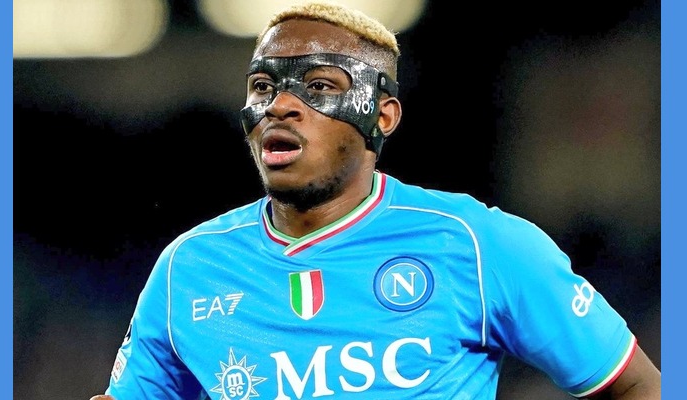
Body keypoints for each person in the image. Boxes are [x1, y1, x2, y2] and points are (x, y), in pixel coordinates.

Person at [90, 1, 661, 399]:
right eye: (263, 87)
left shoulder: (476, 244)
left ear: (382, 116)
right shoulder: (188, 269)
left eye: (318, 86)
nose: (279, 106)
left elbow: (636, 384)